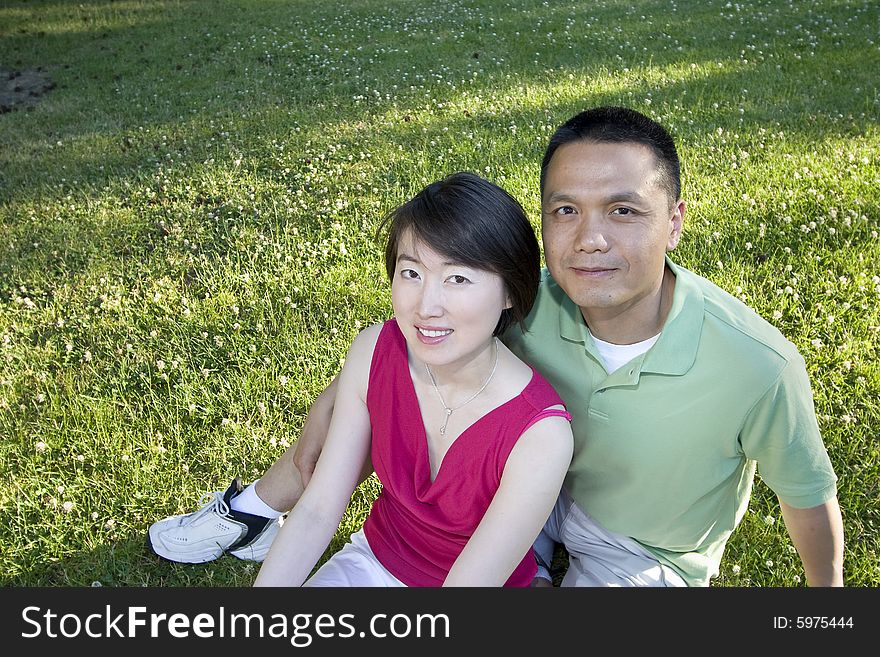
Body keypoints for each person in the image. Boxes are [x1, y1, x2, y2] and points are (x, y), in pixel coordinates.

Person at [148, 106, 844, 587]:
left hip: (640, 548)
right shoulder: (532, 298)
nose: (591, 238)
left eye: (623, 210)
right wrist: (333, 416)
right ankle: (257, 508)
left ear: (676, 220)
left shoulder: (760, 364)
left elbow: (808, 499)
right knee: (353, 418)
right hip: (510, 502)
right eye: (566, 210)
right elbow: (419, 331)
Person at [155, 171, 574, 586]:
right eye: (411, 273)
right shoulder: (376, 350)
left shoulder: (542, 434)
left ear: (510, 293)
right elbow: (319, 508)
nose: (426, 305)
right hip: (373, 563)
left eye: (458, 278)